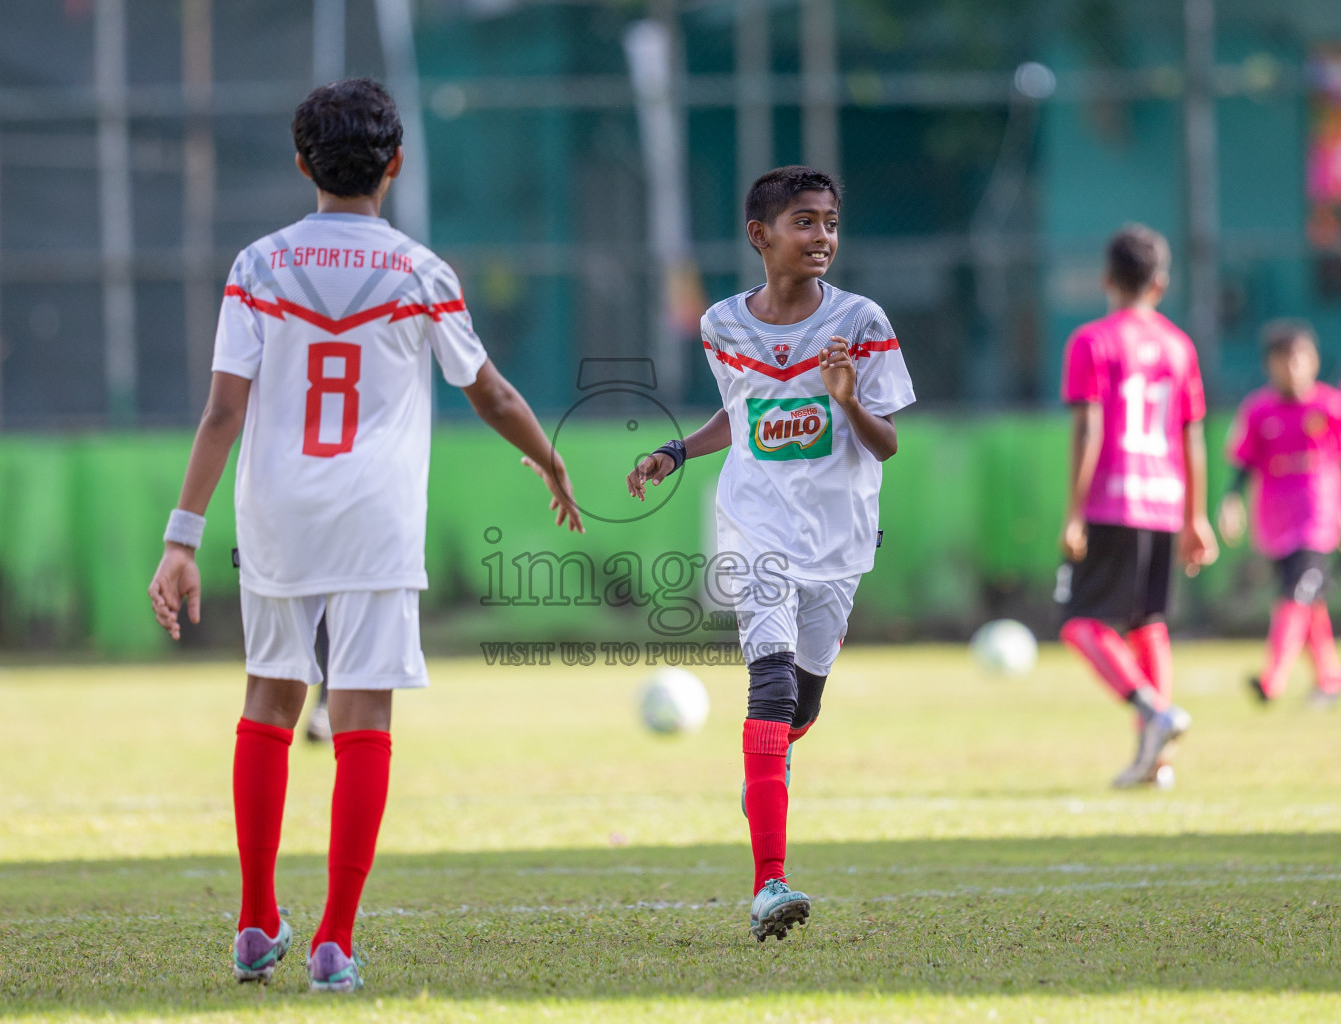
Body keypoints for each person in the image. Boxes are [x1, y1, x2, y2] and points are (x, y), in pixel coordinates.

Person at [147, 78, 582, 993]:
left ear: (302, 163)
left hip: (278, 517)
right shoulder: (420, 272)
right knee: (363, 719)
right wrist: (549, 460)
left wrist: (181, 538)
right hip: (376, 523)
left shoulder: (257, 266)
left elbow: (224, 410)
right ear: (395, 164)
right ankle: (335, 939)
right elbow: (490, 391)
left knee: (269, 703)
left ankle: (255, 920)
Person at [626, 166, 914, 942]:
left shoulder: (863, 322)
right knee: (773, 686)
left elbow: (884, 446)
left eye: (829, 223)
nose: (821, 237)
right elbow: (740, 416)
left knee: (801, 708)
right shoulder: (723, 324)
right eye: (804, 222)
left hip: (841, 541)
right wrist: (676, 451)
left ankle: (767, 771)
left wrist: (848, 397)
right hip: (754, 528)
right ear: (761, 236)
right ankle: (768, 883)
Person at [1056, 224, 1217, 788]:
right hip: (1166, 502)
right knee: (1148, 625)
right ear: (1162, 283)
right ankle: (1158, 762)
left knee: (1080, 622)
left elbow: (1089, 429)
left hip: (1112, 501)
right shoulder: (1179, 346)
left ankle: (1153, 713)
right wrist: (1197, 515)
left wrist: (1074, 512)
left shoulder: (1092, 341)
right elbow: (1192, 435)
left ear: (1107, 279)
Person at [1220, 320, 1341, 706]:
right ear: (1270, 365)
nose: (1291, 368)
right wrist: (1230, 503)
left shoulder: (1331, 405)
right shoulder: (1259, 411)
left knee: (1294, 594)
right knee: (1308, 601)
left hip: (1318, 519)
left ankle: (1272, 679)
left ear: (1313, 361)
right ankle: (1330, 678)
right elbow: (1242, 466)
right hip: (1276, 521)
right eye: (1283, 360)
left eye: (1299, 359)